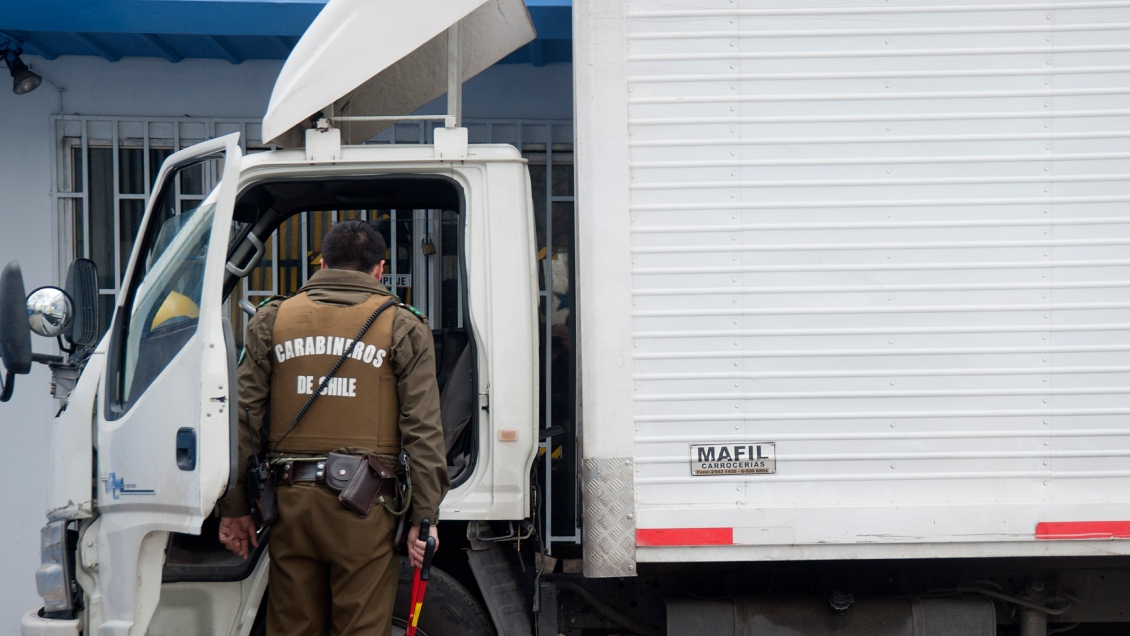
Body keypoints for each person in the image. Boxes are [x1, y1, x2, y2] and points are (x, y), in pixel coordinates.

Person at [216, 219, 450, 636]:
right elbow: (423, 428)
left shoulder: (273, 319)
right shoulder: (402, 325)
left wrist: (234, 508)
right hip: (364, 508)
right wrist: (424, 516)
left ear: (321, 263)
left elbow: (244, 415)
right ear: (380, 269)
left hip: (289, 506)